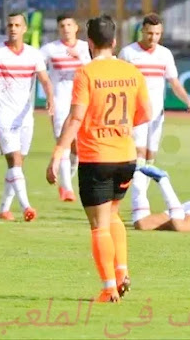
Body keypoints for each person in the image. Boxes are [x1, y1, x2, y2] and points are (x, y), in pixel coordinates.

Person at [45, 15, 152, 303]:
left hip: (97, 157)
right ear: (114, 41)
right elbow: (145, 113)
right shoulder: (132, 71)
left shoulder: (86, 73)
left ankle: (109, 287)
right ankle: (121, 271)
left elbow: (77, 116)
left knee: (99, 225)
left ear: (89, 43)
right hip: (126, 156)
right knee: (114, 213)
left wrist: (58, 152)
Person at [118, 13, 190, 224]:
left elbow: (174, 82)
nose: (153, 37)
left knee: (150, 159)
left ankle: (138, 199)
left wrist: (187, 100)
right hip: (135, 114)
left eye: (157, 34)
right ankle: (138, 205)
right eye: (150, 33)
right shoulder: (128, 53)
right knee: (138, 157)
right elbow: (118, 83)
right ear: (142, 31)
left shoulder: (165, 54)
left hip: (157, 115)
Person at [0, 13, 54, 222]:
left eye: (17, 25)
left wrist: (50, 97)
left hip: (25, 118)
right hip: (2, 115)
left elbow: (45, 80)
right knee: (14, 160)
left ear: (24, 29)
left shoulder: (33, 54)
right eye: (10, 25)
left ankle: (4, 210)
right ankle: (26, 207)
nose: (13, 28)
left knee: (17, 164)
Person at [40, 14, 92, 202]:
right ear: (58, 28)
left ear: (76, 27)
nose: (66, 28)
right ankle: (68, 189)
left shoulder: (85, 48)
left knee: (77, 149)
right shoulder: (50, 49)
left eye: (69, 24)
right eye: (62, 25)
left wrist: (80, 58)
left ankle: (65, 181)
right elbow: (37, 67)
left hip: (80, 100)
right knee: (62, 141)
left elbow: (94, 69)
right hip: (59, 100)